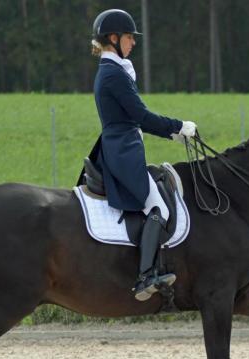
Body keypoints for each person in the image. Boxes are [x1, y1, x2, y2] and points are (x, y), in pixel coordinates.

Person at [88, 9, 196, 301]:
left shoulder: (113, 71)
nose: (133, 43)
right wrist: (179, 127)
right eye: (128, 38)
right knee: (158, 208)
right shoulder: (113, 74)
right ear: (113, 39)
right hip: (122, 150)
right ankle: (146, 276)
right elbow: (141, 116)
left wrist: (172, 133)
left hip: (122, 145)